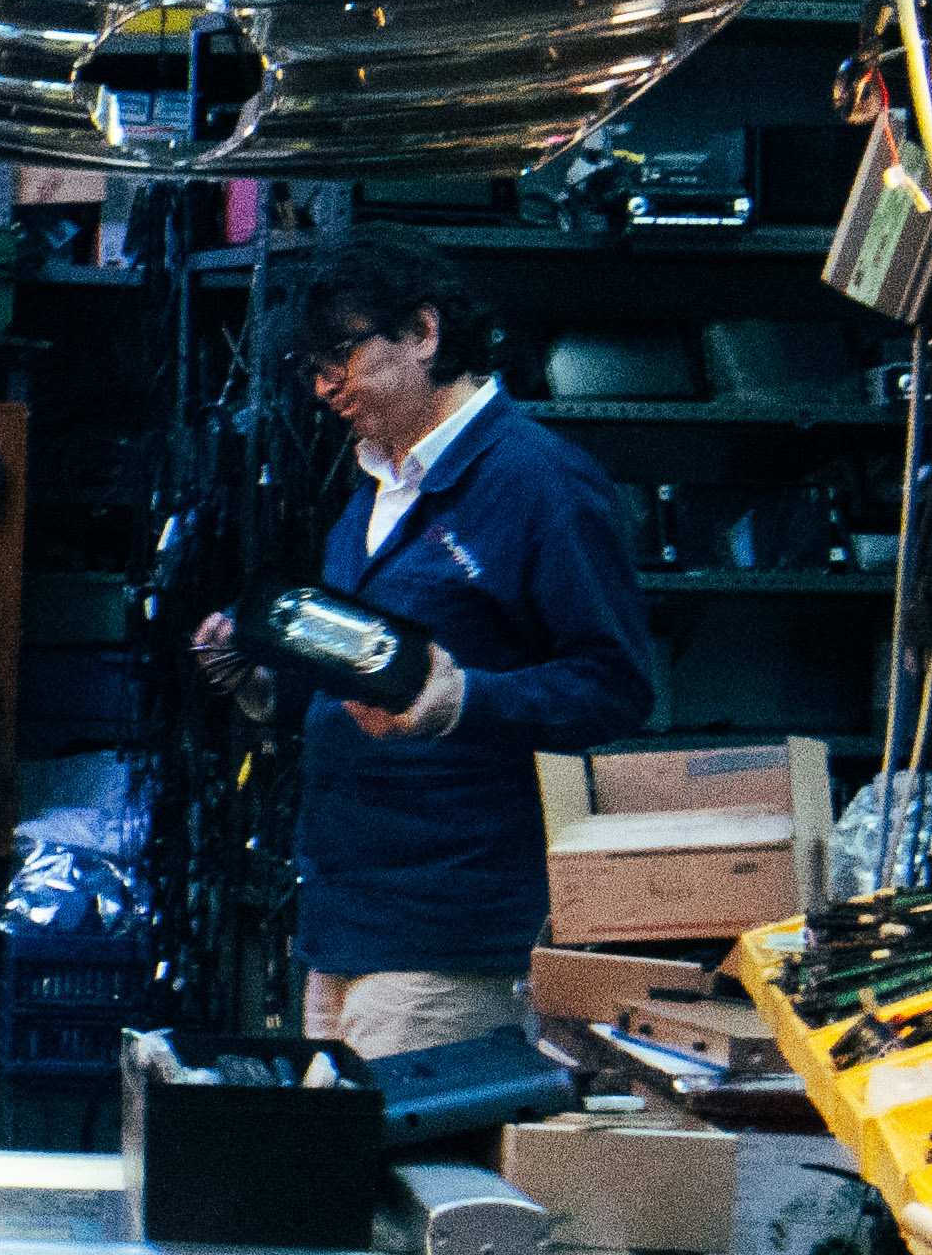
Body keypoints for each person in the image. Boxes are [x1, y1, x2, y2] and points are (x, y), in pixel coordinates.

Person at [188, 230, 662, 1054]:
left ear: (422, 332)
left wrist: (466, 701)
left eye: (340, 353)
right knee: (340, 1165)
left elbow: (616, 687)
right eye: (310, 366)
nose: (324, 385)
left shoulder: (538, 480)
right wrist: (258, 681)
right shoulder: (370, 493)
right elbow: (351, 686)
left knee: (395, 1170)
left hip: (447, 931)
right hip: (343, 924)